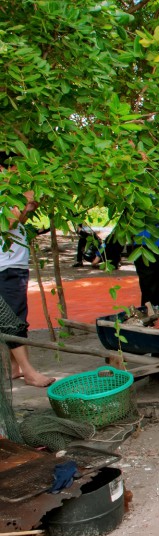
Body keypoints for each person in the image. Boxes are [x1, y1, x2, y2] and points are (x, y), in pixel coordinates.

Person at [0, 154, 55, 387]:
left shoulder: (8, 192)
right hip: (6, 266)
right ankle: (29, 372)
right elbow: (7, 223)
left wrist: (28, 207)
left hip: (14, 263)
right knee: (13, 320)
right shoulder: (5, 192)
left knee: (13, 317)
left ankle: (13, 368)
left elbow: (15, 221)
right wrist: (25, 201)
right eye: (13, 168)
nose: (16, 172)